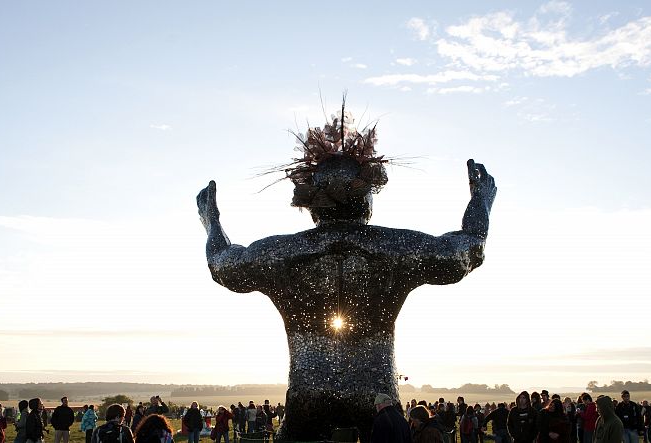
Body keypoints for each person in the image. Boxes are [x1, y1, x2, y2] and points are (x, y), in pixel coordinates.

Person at [197, 108, 496, 443]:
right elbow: (465, 251)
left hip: (307, 394)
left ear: (312, 202)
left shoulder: (281, 254)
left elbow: (222, 264)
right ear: (367, 196)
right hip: (375, 396)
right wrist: (481, 202)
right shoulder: (392, 248)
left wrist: (211, 221)